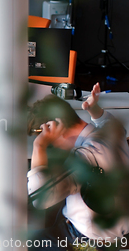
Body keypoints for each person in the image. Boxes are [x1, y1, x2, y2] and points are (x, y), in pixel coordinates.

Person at [27, 82, 129, 250]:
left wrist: (40, 146)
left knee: (12, 243)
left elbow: (40, 198)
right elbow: (105, 120)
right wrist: (92, 108)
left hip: (87, 241)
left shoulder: (84, 158)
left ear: (57, 126)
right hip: (119, 235)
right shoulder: (112, 133)